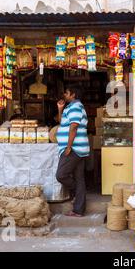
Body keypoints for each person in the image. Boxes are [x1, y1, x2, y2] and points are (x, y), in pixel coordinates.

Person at [56, 85, 90, 217]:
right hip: (78, 148)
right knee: (79, 178)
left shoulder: (76, 106)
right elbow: (62, 123)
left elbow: (74, 127)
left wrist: (69, 147)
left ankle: (78, 194)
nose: (65, 95)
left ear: (73, 94)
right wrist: (60, 110)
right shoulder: (70, 107)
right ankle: (78, 209)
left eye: (67, 93)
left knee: (61, 175)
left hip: (74, 149)